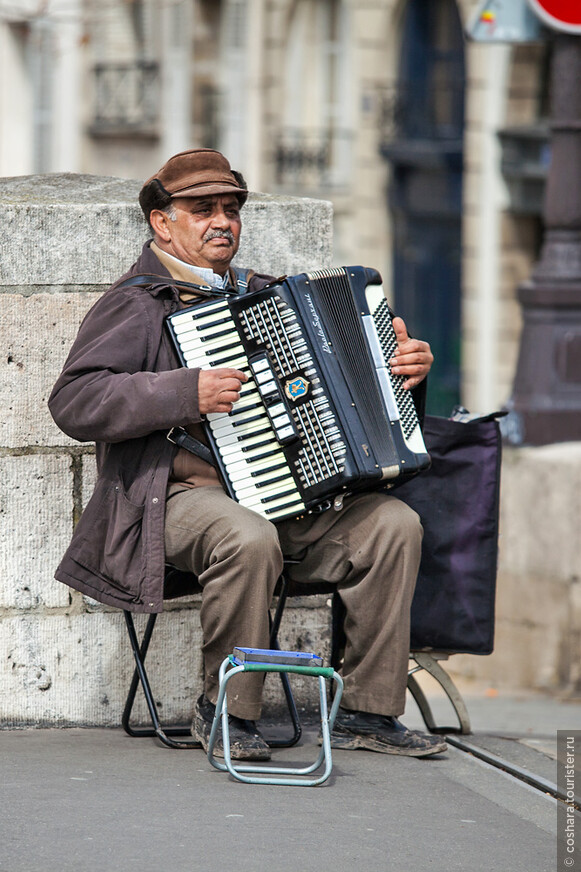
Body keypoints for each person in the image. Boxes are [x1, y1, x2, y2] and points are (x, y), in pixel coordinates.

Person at [49, 148, 446, 761]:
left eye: (231, 209)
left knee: (394, 525)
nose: (221, 221)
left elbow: (354, 407)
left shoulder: (269, 298)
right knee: (246, 535)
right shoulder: (137, 303)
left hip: (287, 495)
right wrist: (187, 391)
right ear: (163, 222)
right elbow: (75, 400)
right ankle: (226, 713)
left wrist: (404, 377)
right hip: (178, 499)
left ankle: (368, 709)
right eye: (201, 208)